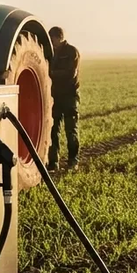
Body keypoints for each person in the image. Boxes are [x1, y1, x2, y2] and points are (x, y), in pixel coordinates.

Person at [47, 26, 80, 170]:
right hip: (55, 97)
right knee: (53, 130)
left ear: (59, 38)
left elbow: (70, 73)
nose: (51, 42)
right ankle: (53, 161)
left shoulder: (71, 52)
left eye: (52, 39)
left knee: (70, 129)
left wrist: (51, 73)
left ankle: (73, 161)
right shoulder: (49, 53)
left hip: (69, 97)